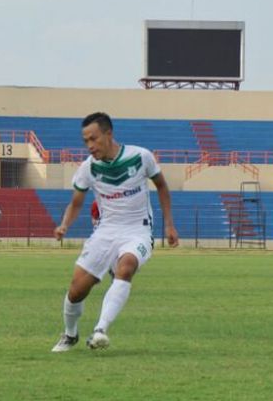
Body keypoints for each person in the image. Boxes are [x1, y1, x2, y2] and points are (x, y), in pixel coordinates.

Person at [51, 112, 179, 352]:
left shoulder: (141, 157)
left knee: (127, 266)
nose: (90, 146)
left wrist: (169, 224)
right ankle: (70, 334)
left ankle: (100, 330)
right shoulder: (88, 168)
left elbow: (162, 186)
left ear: (109, 134)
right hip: (106, 232)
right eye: (86, 141)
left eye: (94, 139)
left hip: (137, 231)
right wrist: (64, 224)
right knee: (77, 289)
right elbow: (76, 202)